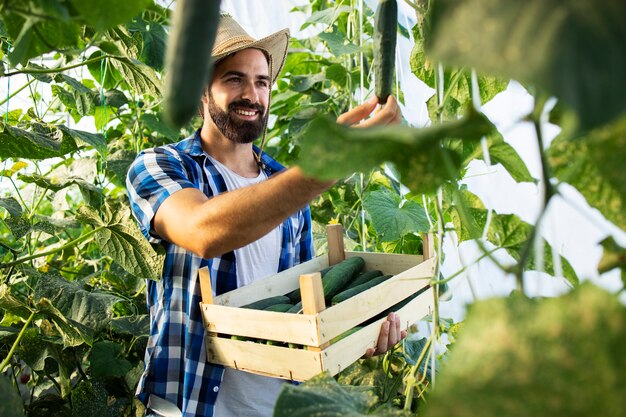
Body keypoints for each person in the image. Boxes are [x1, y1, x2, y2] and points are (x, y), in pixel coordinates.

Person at [126, 14, 404, 417]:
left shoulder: (285, 189)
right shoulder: (161, 166)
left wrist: (358, 332)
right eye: (234, 79)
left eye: (261, 82)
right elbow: (203, 230)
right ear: (203, 90)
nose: (252, 95)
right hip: (189, 405)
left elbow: (305, 308)